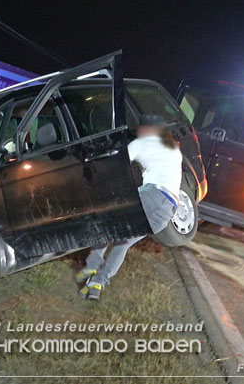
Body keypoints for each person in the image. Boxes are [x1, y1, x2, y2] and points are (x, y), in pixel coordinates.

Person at [76, 114, 182, 300]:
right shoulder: (174, 150)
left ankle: (92, 267)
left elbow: (118, 164)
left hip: (152, 197)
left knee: (107, 224)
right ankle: (97, 284)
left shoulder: (143, 143)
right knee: (122, 244)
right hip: (166, 212)